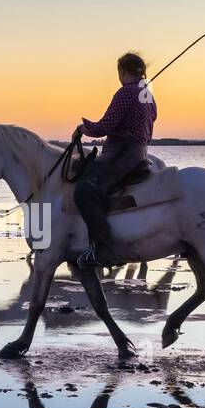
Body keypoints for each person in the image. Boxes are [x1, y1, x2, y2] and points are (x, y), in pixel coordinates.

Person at [73, 52, 156, 269]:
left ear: (122, 71)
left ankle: (104, 249)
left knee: (84, 192)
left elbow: (103, 127)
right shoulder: (147, 93)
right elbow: (152, 117)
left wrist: (84, 128)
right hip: (141, 153)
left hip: (121, 154)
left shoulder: (125, 93)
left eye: (118, 71)